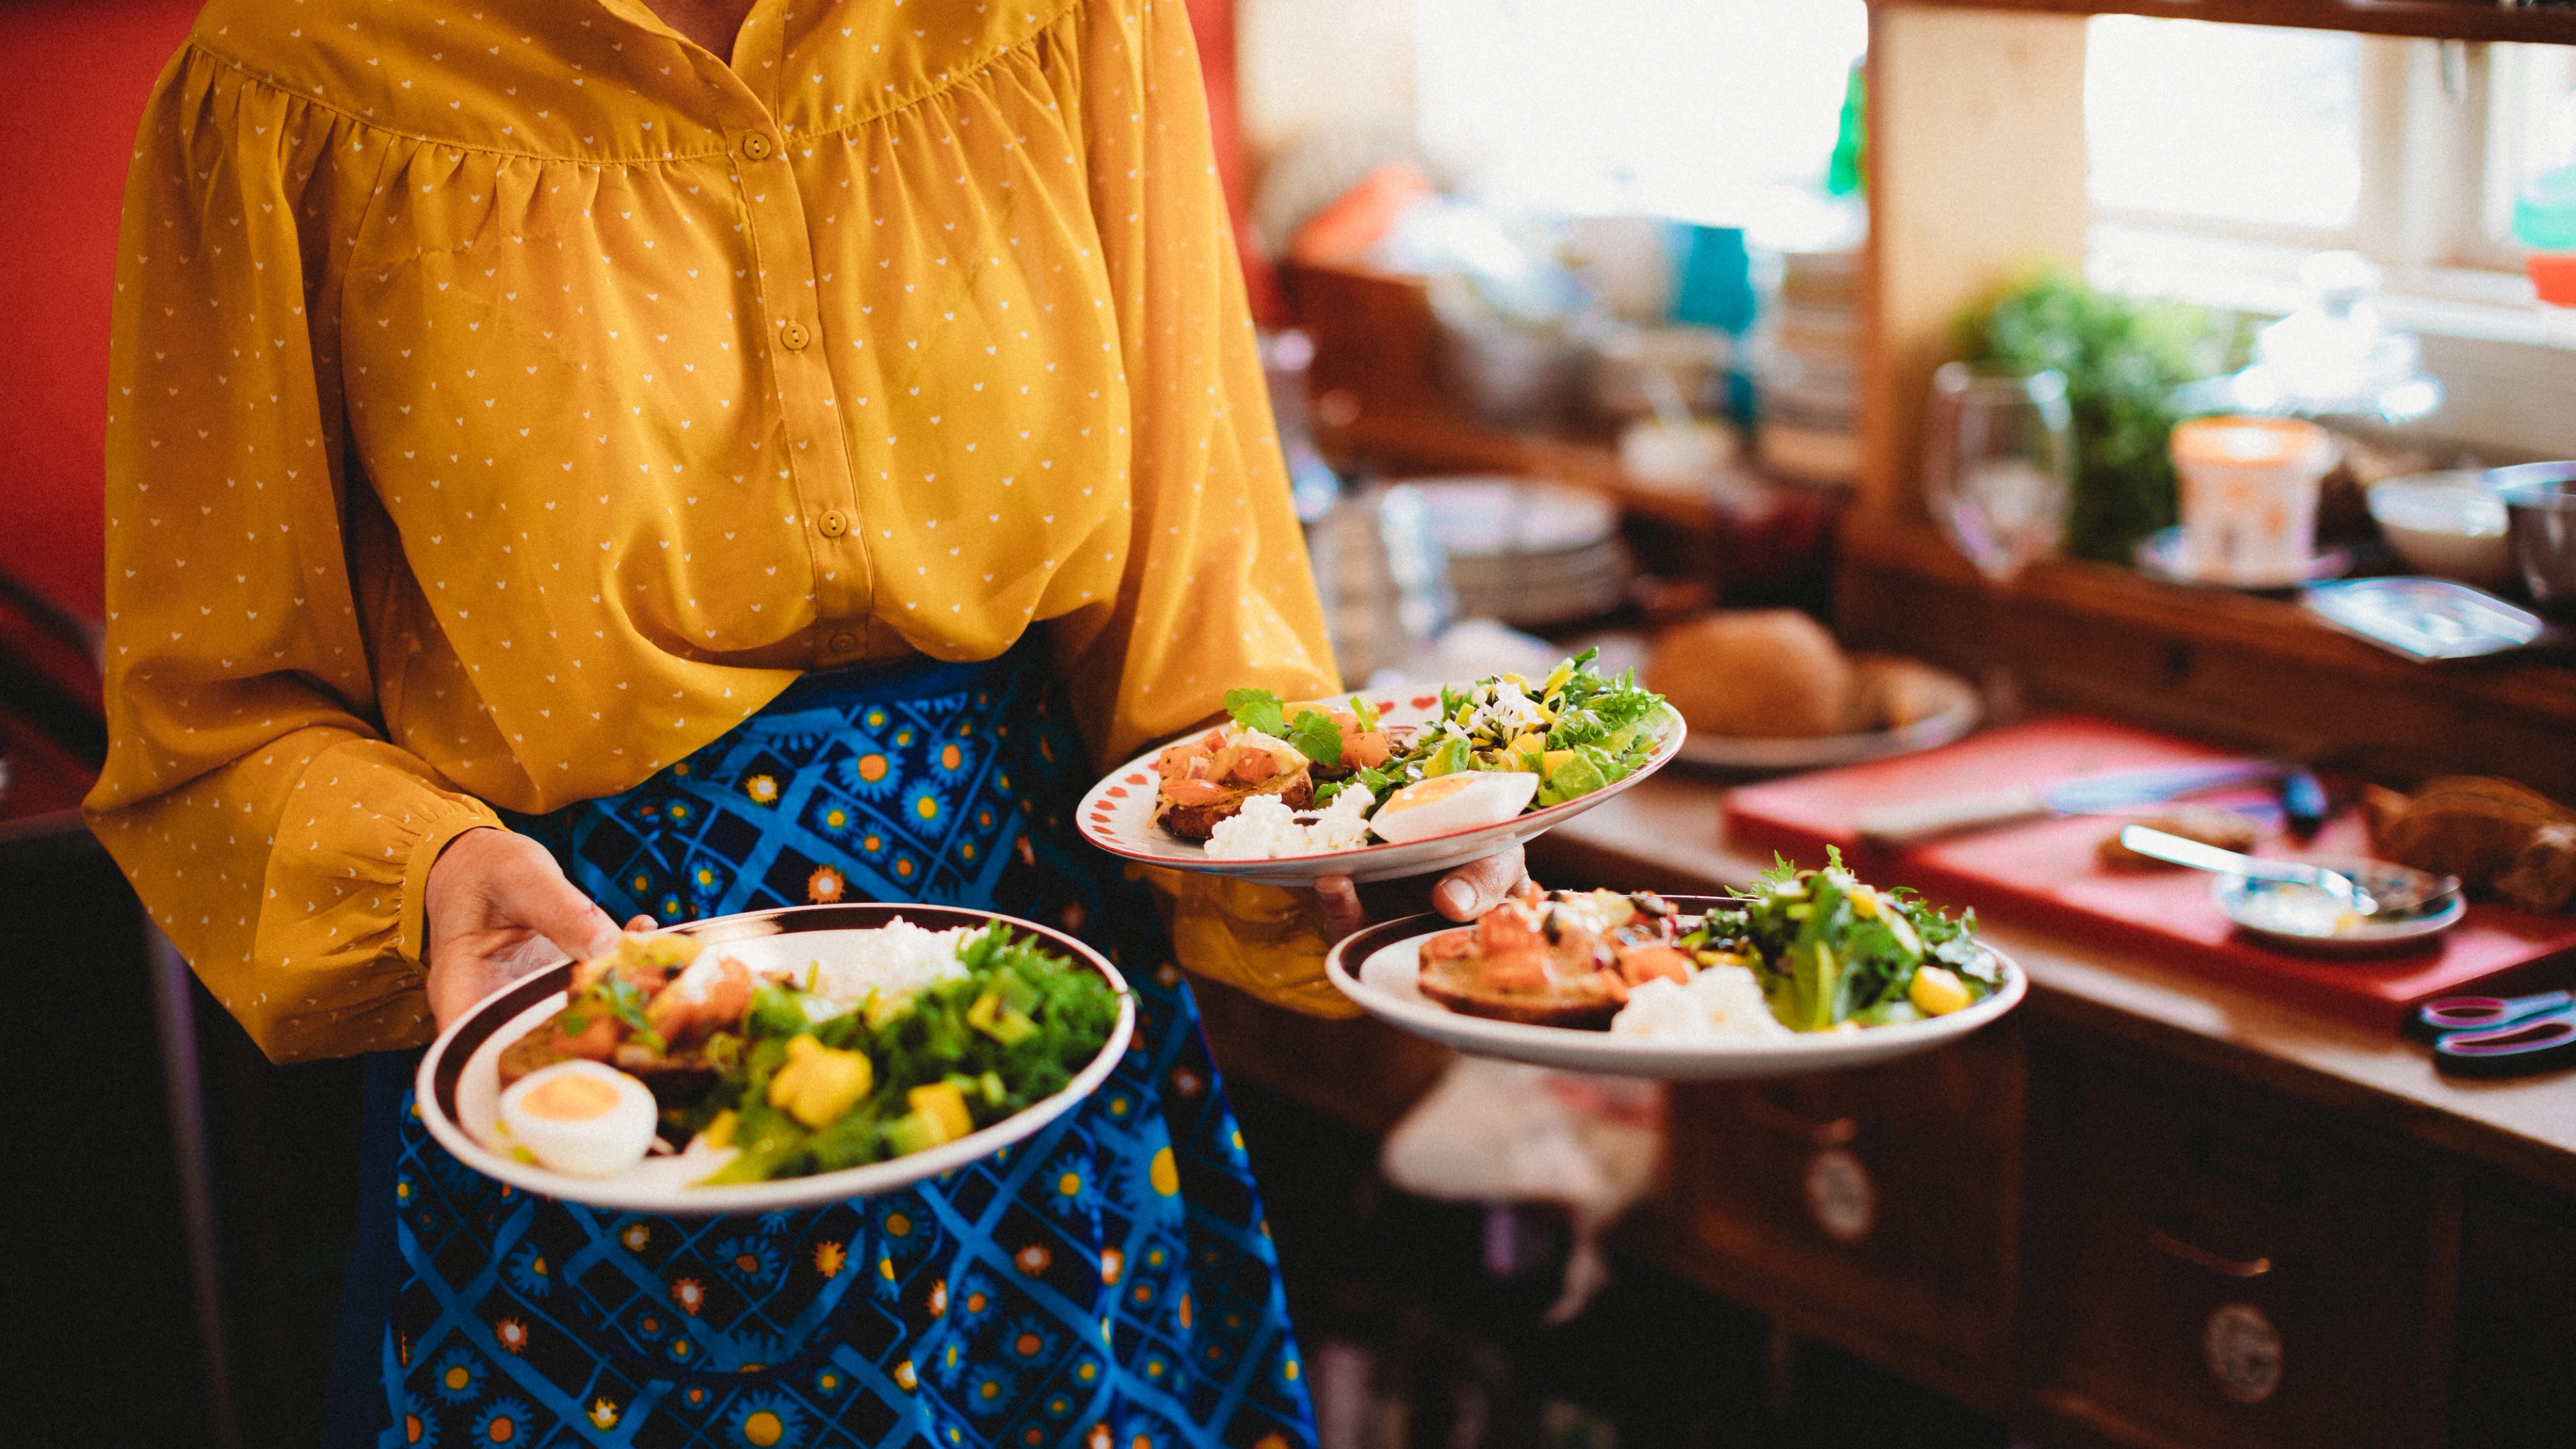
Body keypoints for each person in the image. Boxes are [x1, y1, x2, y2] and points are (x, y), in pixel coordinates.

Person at [85, 3, 1526, 1446]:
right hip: (605, 1053)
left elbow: (1196, 597)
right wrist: (430, 873)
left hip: (1038, 1041)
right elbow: (215, 715)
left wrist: (1334, 833)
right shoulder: (293, 82)